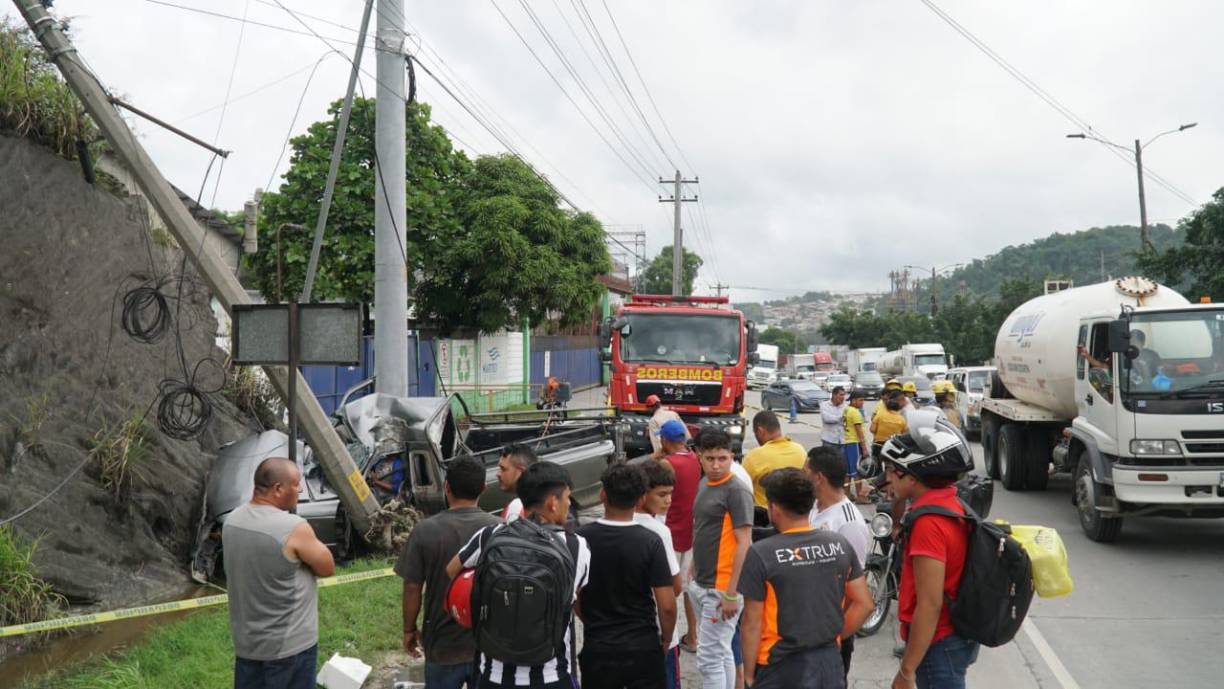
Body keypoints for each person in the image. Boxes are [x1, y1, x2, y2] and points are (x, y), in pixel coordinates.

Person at [447, 462, 591, 689]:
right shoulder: (576, 546)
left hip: (493, 675)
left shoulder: (489, 535)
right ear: (553, 503)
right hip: (551, 675)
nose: (569, 504)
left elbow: (452, 570)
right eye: (567, 497)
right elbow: (573, 597)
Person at [739, 468, 873, 689]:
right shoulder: (839, 544)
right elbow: (865, 604)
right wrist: (834, 638)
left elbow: (751, 624)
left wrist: (749, 675)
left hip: (779, 666)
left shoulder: (761, 553)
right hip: (828, 664)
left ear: (774, 508)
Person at [879, 417, 977, 689]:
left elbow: (930, 604)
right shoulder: (950, 500)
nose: (886, 479)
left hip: (939, 644)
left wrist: (907, 670)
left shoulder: (928, 523)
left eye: (891, 469)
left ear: (912, 476)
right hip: (954, 639)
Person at [224, 457, 335, 689]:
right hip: (289, 647)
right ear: (278, 489)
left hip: (248, 645)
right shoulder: (292, 527)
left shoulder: (231, 521)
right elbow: (327, 567)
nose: (301, 489)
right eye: (296, 484)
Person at [397, 455, 500, 689]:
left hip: (442, 646)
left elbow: (412, 587)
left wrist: (409, 630)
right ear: (483, 488)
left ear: (447, 487)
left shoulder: (424, 531)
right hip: (488, 647)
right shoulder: (499, 530)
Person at [577, 463, 678, 689]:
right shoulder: (650, 541)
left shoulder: (581, 538)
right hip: (643, 646)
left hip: (599, 647)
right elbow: (668, 605)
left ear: (602, 494)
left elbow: (575, 594)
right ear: (641, 498)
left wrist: (591, 621)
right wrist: (666, 639)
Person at [689, 429, 754, 689]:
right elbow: (703, 527)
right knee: (721, 651)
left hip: (722, 587)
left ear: (732, 456)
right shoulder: (704, 483)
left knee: (708, 660)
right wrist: (693, 564)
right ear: (699, 457)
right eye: (710, 458)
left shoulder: (736, 490)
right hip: (702, 582)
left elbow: (744, 542)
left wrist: (731, 593)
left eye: (723, 458)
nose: (716, 465)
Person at [806, 447, 872, 681]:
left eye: (806, 471)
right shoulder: (813, 508)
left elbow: (853, 585)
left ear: (819, 477)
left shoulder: (849, 521)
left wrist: (836, 636)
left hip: (830, 632)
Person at [636, 460, 685, 689]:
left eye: (670, 494)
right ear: (643, 495)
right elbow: (674, 588)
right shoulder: (659, 531)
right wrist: (667, 638)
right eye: (662, 494)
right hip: (657, 628)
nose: (669, 500)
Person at [658, 419, 702, 654]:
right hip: (691, 531)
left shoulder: (666, 463)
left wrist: (657, 455)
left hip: (671, 532)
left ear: (665, 440)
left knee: (666, 589)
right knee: (688, 588)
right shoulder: (695, 460)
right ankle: (693, 637)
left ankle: (669, 637)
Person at [741, 410, 807, 508]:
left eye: (755, 433)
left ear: (760, 431)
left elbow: (742, 488)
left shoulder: (754, 456)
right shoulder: (800, 450)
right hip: (796, 511)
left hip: (764, 516)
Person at [497, 444, 539, 523]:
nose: (498, 474)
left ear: (521, 472)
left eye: (503, 469)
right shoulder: (538, 500)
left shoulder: (517, 507)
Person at [870, 391, 910, 457]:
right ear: (897, 407)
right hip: (893, 446)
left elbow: (872, 430)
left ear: (887, 406)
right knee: (891, 464)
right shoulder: (902, 419)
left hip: (879, 445)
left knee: (876, 462)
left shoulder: (879, 415)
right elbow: (904, 434)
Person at [842, 391, 870, 484]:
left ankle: (848, 494)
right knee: (857, 471)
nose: (863, 402)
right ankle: (860, 496)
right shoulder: (855, 413)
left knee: (847, 472)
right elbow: (859, 432)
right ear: (853, 400)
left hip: (846, 442)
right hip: (854, 443)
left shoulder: (846, 410)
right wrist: (864, 448)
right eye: (860, 400)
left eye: (863, 400)